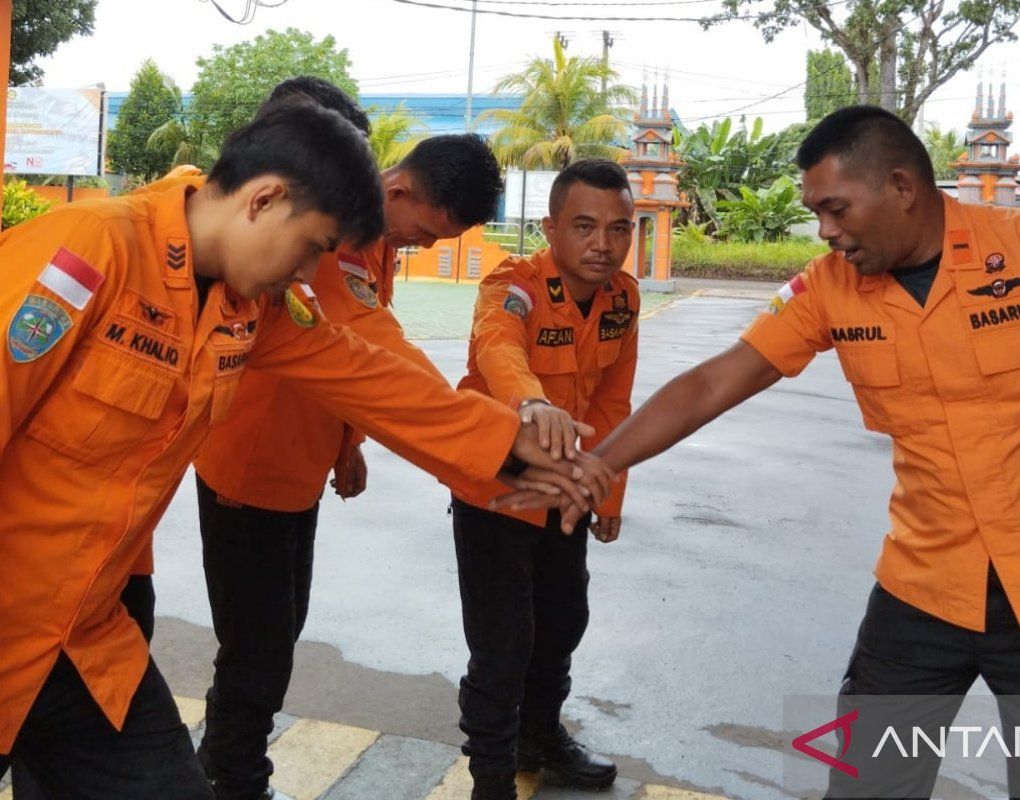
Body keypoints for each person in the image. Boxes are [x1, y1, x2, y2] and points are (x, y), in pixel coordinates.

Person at [500, 106, 1020, 797]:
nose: (825, 231)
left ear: (901, 186)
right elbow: (716, 380)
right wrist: (600, 464)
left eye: (836, 208)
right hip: (927, 591)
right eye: (816, 212)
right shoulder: (831, 287)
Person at [0, 100, 603, 799]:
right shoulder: (86, 250)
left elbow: (371, 375)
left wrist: (518, 451)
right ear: (264, 200)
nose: (312, 271)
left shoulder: (250, 305)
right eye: (314, 246)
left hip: (80, 640)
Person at [191, 130, 507, 800]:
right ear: (397, 191)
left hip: (296, 468)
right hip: (251, 469)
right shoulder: (330, 240)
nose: (425, 247)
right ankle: (238, 783)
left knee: (265, 642)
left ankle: (213, 761)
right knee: (260, 653)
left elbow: (342, 362)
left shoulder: (373, 244)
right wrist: (500, 450)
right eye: (426, 231)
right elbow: (375, 354)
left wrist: (347, 443)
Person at [452, 158, 639, 800]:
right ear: (550, 227)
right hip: (496, 488)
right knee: (503, 645)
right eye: (585, 226)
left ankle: (540, 738)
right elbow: (497, 345)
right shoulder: (515, 284)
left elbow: (615, 402)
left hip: (570, 492)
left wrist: (610, 489)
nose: (603, 244)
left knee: (562, 622)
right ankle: (492, 777)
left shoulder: (623, 298)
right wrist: (531, 401)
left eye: (620, 229)